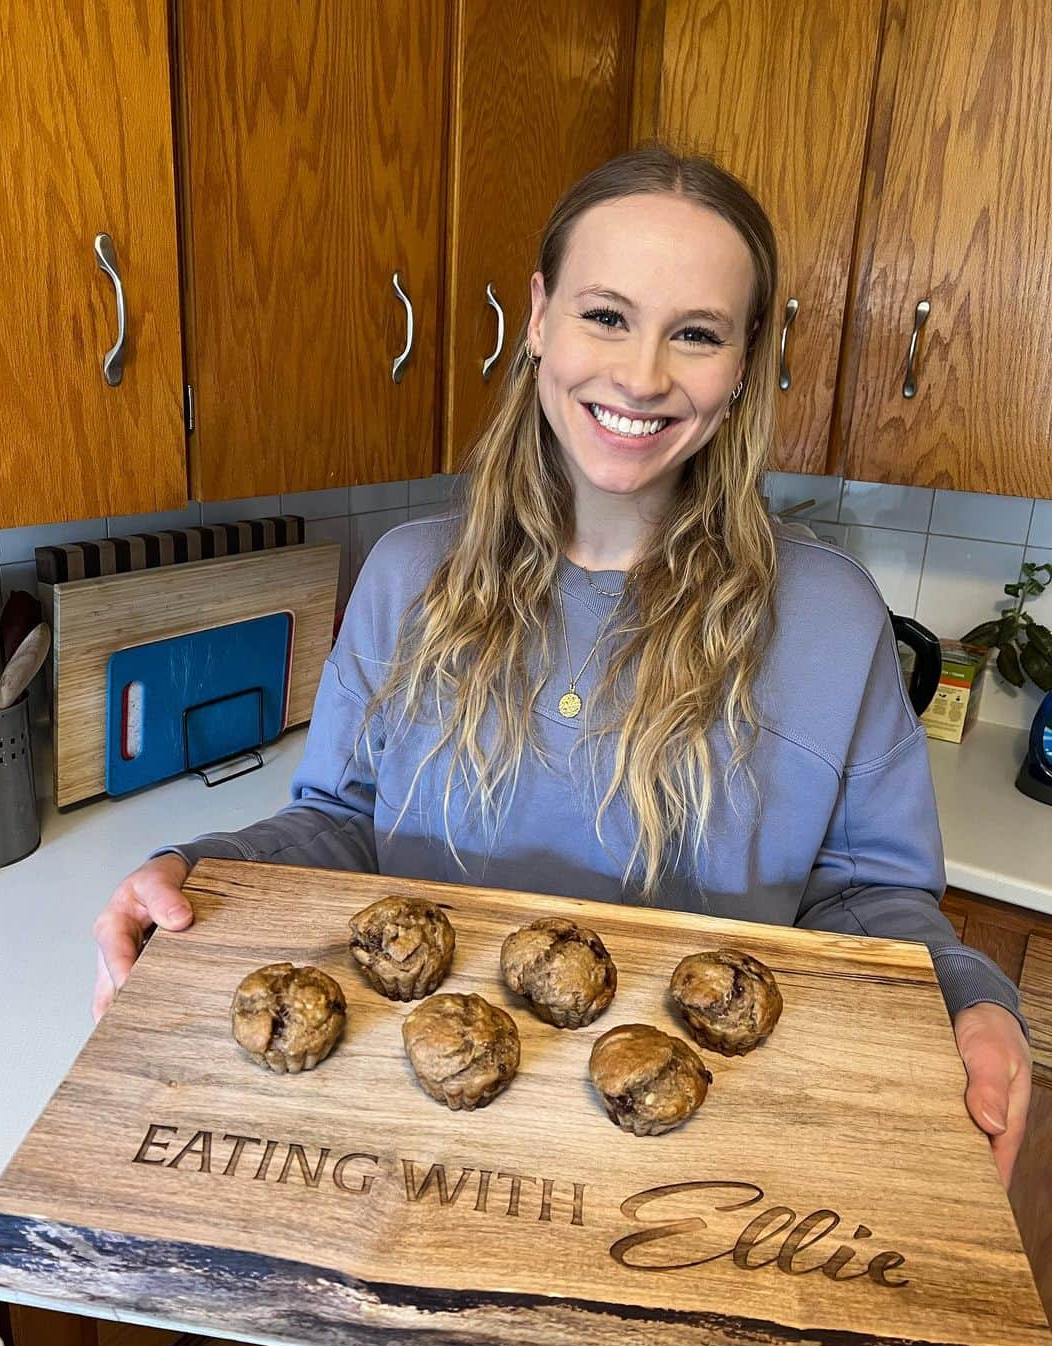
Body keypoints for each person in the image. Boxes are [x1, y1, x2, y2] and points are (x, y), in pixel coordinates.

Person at [92, 146, 1031, 1185]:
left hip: (696, 1171)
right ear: (538, 316)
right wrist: (199, 871)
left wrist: (965, 992)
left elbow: (870, 899)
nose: (641, 375)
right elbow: (345, 824)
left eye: (698, 333)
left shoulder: (829, 617)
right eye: (606, 314)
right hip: (414, 1147)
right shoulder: (410, 578)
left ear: (746, 358)